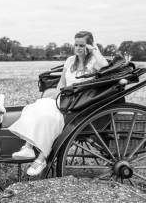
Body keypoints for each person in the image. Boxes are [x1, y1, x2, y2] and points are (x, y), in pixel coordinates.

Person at [8, 31, 109, 176]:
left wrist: (94, 49)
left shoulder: (94, 62)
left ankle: (42, 159)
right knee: (37, 107)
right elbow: (62, 82)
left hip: (80, 102)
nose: (78, 48)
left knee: (52, 118)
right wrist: (55, 97)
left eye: (82, 45)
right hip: (64, 98)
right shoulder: (70, 61)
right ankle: (28, 147)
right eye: (76, 45)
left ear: (88, 45)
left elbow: (105, 67)